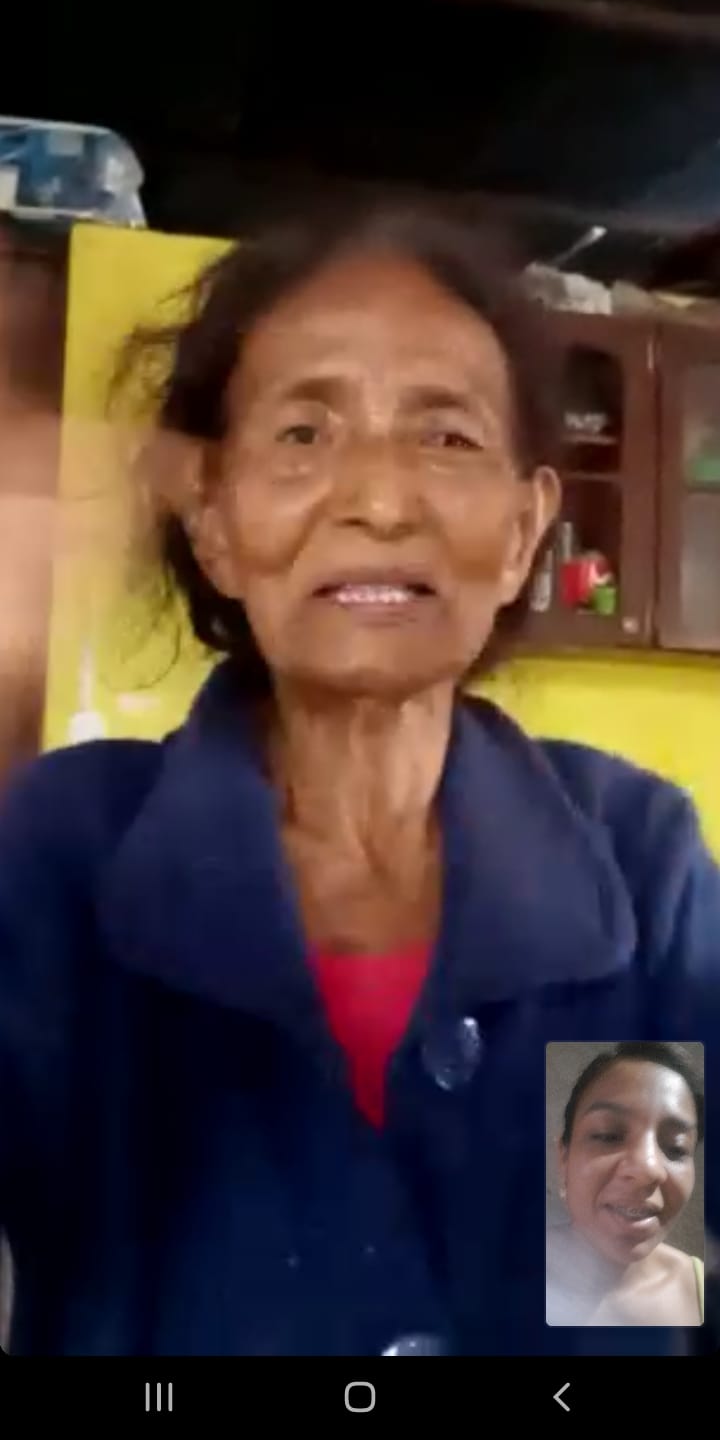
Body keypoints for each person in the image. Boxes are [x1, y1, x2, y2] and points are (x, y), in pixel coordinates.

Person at [0, 202, 719, 1358]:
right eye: (303, 432)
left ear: (525, 527)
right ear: (215, 519)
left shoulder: (636, 857)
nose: (380, 501)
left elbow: (631, 1292)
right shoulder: (64, 850)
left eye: (447, 437)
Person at [546, 1043, 704, 1328]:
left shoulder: (703, 1291)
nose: (648, 1168)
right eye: (608, 1135)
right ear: (563, 1158)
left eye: (676, 1148)